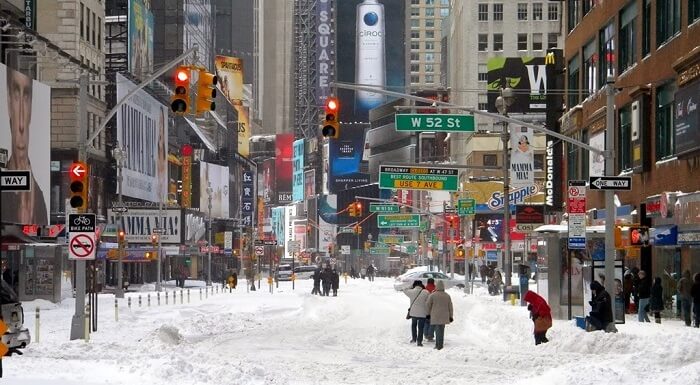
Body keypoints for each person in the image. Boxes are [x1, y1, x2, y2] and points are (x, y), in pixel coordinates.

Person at [1, 65, 48, 225]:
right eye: (15, 94)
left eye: (26, 96)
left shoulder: (40, 199)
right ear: (7, 99)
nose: (21, 123)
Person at [426, 280, 454, 350]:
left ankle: (438, 345)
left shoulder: (432, 295)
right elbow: (450, 306)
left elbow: (428, 305)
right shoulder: (447, 295)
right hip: (444, 316)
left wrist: (428, 314)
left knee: (437, 330)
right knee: (442, 330)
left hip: (435, 315)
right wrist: (451, 316)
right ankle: (440, 344)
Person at [403, 280, 429, 346]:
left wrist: (411, 285)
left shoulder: (411, 292)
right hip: (422, 313)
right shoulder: (426, 292)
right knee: (421, 327)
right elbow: (428, 302)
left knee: (413, 325)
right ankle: (419, 341)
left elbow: (404, 289)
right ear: (421, 284)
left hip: (413, 313)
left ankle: (414, 339)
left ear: (414, 285)